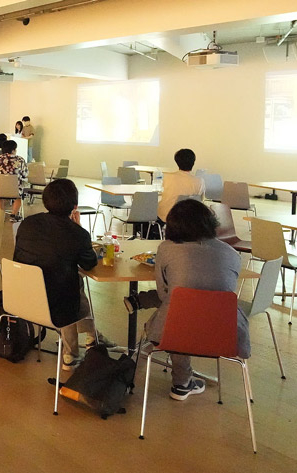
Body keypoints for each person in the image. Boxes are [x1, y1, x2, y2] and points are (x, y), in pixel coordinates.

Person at [124, 199, 250, 400]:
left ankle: (180, 381)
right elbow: (220, 296)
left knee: (178, 313)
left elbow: (165, 296)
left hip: (177, 331)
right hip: (224, 335)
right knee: (186, 310)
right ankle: (182, 383)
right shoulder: (232, 254)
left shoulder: (166, 249)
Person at [13, 179, 112, 370]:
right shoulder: (76, 234)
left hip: (21, 298)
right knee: (69, 283)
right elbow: (89, 263)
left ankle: (92, 336)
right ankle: (72, 354)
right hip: (56, 307)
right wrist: (79, 228)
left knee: (69, 280)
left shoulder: (27, 223)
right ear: (75, 207)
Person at [156, 148, 205, 224]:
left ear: (177, 162)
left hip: (166, 216)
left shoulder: (167, 177)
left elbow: (158, 192)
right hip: (189, 218)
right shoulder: (200, 181)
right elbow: (200, 200)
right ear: (193, 162)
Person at [0, 139, 28, 222]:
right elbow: (25, 174)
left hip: (0, 189)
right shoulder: (20, 160)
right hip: (15, 189)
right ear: (13, 150)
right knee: (19, 196)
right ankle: (13, 214)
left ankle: (1, 213)